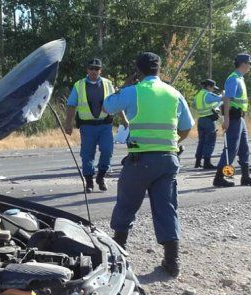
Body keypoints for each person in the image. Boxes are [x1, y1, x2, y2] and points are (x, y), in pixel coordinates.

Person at [102, 52, 194, 277]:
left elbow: (107, 106)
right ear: (159, 69)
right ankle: (172, 262)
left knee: (126, 206)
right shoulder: (174, 93)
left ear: (138, 71)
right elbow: (186, 127)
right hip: (168, 159)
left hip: (139, 160)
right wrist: (172, 142)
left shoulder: (133, 91)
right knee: (167, 209)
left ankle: (118, 257)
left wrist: (124, 85)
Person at [65, 58, 129, 192]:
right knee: (87, 154)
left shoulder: (108, 83)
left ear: (101, 70)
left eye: (96, 69)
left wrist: (124, 119)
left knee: (107, 150)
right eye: (91, 68)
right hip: (87, 126)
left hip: (104, 125)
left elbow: (115, 103)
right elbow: (71, 105)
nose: (94, 71)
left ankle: (101, 176)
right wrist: (68, 123)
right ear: (87, 70)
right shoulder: (79, 85)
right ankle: (89, 181)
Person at [213, 53, 251, 187]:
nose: (250, 66)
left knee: (244, 148)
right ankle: (219, 178)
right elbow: (227, 99)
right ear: (243, 64)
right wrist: (226, 119)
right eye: (249, 64)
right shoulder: (233, 79)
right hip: (233, 117)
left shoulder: (239, 78)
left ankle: (245, 177)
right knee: (231, 148)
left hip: (240, 118)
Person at [193, 79, 222, 169]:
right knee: (210, 141)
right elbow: (220, 99)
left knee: (201, 141)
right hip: (209, 120)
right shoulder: (208, 94)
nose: (213, 90)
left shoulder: (198, 95)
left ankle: (198, 162)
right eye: (213, 88)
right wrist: (223, 95)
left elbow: (194, 105)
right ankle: (207, 163)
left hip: (201, 120)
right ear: (209, 87)